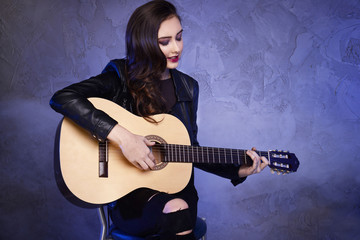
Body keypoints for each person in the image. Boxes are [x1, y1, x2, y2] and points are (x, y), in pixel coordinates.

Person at [50, 1, 269, 239]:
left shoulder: (188, 87)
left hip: (177, 187)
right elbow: (63, 98)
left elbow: (190, 150)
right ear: (143, 44)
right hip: (130, 197)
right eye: (164, 42)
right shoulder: (119, 76)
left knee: (178, 210)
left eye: (179, 37)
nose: (176, 48)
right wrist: (124, 138)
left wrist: (237, 170)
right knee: (175, 212)